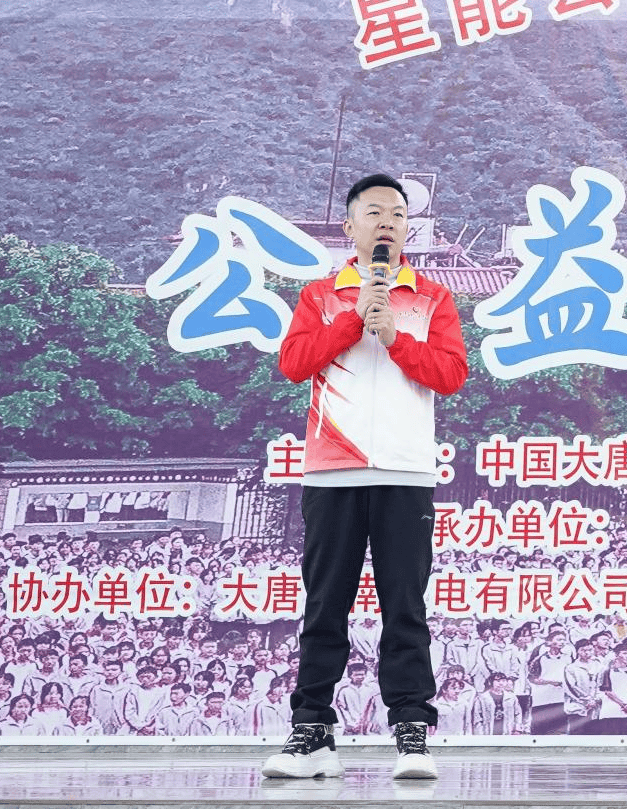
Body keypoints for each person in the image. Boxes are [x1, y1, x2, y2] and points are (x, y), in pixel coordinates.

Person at [262, 173, 468, 781]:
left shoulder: (433, 298)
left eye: (397, 215)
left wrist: (395, 338)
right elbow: (294, 363)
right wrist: (352, 321)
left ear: (408, 229)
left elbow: (451, 374)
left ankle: (411, 733)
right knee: (326, 606)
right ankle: (312, 734)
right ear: (350, 226)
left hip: (405, 471)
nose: (387, 223)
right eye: (374, 213)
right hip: (333, 470)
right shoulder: (320, 296)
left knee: (405, 605)